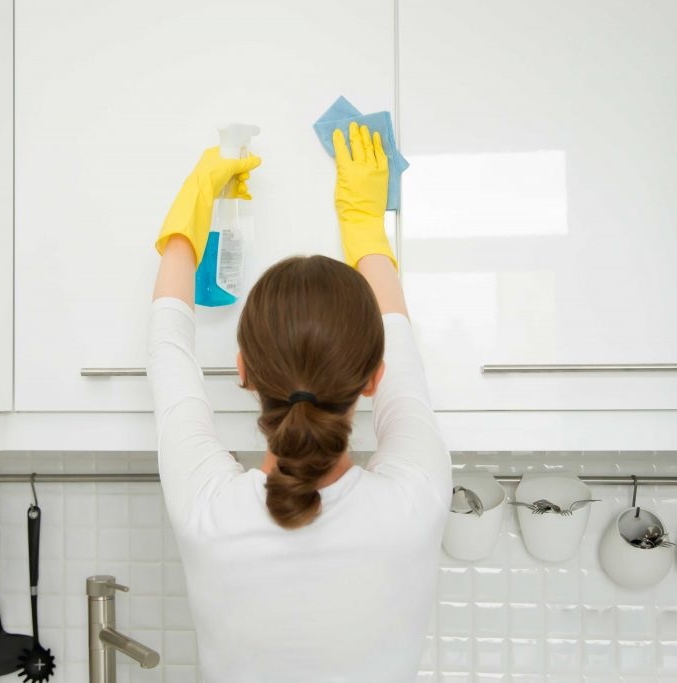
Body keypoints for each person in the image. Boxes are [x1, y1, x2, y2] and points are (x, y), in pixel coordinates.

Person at [147, 121, 452, 682]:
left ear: (242, 371)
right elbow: (401, 349)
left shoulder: (207, 510)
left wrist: (193, 207)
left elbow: (168, 345)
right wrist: (365, 226)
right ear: (372, 378)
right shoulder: (418, 499)